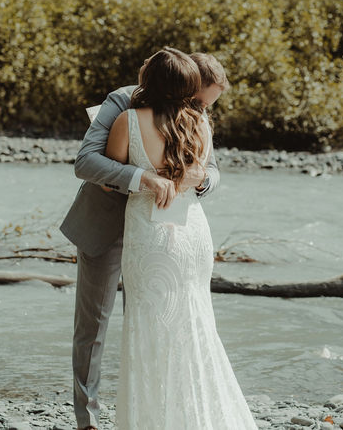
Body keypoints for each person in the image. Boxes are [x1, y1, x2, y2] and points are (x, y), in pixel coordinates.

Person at [60, 48, 227, 430]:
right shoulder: (122, 102)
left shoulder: (196, 118)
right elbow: (87, 161)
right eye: (198, 101)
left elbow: (213, 170)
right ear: (185, 84)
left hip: (165, 232)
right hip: (106, 222)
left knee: (160, 322)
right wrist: (143, 178)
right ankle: (87, 420)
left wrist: (198, 181)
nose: (201, 110)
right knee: (93, 326)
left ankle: (158, 410)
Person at [105, 49, 255, 430]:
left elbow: (111, 181)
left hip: (150, 233)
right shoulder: (200, 123)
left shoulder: (128, 121)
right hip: (193, 233)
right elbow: (203, 174)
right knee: (196, 323)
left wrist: (144, 177)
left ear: (149, 82)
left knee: (148, 326)